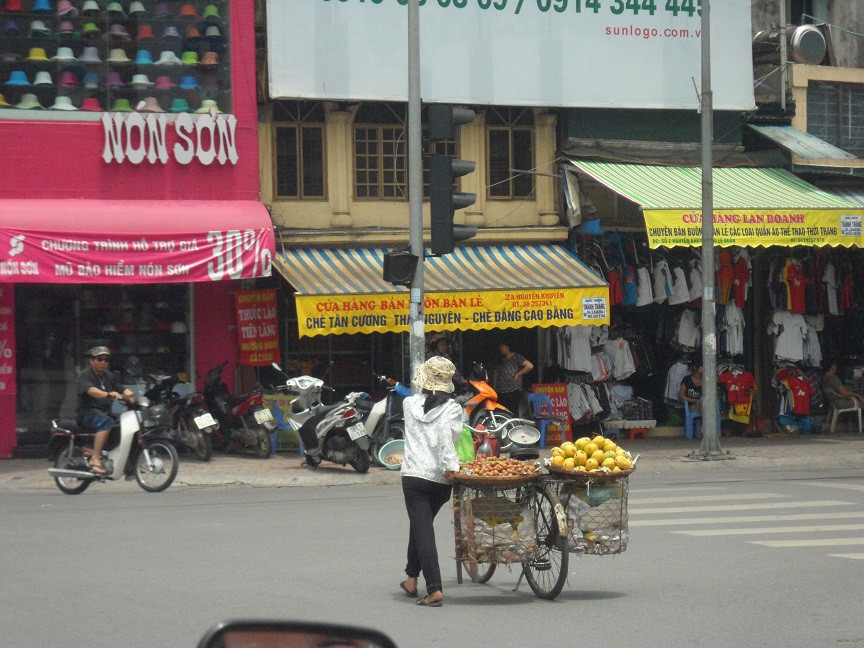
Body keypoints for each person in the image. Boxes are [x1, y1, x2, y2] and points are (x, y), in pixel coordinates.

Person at [399, 356, 462, 608]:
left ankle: (434, 588)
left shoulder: (408, 403)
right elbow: (447, 441)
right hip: (439, 479)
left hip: (414, 476)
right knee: (420, 526)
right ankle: (411, 579)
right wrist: (451, 468)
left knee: (422, 528)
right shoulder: (453, 408)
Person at [75, 346, 133, 474]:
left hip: (104, 412)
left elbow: (120, 388)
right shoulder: (84, 375)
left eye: (106, 360)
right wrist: (108, 394)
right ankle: (95, 458)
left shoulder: (109, 376)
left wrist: (132, 396)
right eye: (99, 359)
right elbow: (91, 391)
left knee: (126, 423)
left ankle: (126, 460)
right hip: (87, 413)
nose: (103, 362)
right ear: (91, 360)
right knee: (106, 422)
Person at [493, 338, 534, 415]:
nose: (500, 347)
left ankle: (515, 426)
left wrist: (519, 374)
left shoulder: (516, 357)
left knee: (513, 412)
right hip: (501, 390)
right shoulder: (501, 359)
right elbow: (496, 374)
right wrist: (494, 389)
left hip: (513, 390)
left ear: (508, 347)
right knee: (502, 412)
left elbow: (530, 366)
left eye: (502, 346)